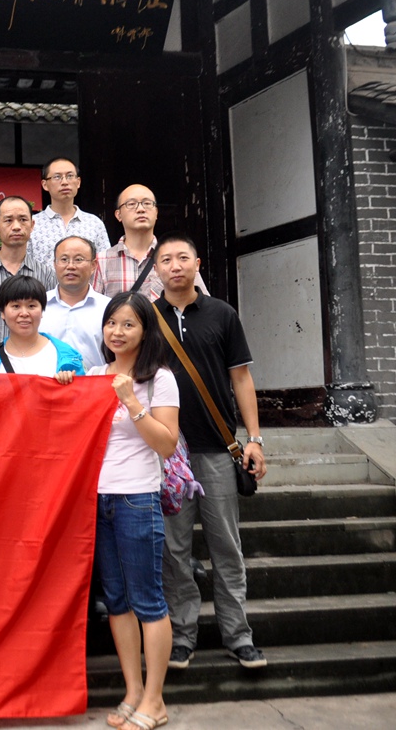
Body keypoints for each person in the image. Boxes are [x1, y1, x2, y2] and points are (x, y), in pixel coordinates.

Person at [55, 292, 178, 730]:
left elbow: (167, 444)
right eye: (112, 323)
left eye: (128, 324)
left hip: (137, 497)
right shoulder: (94, 375)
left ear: (145, 330)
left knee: (148, 600)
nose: (117, 332)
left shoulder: (159, 378)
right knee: (118, 602)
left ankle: (155, 700)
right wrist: (65, 386)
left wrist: (132, 402)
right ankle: (133, 692)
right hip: (97, 498)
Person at [152, 233, 268, 671]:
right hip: (168, 454)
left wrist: (254, 439)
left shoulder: (222, 313)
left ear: (197, 264)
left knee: (226, 547)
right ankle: (182, 636)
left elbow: (241, 378)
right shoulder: (147, 317)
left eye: (183, 257)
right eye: (166, 259)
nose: (175, 265)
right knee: (174, 551)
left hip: (219, 449)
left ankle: (238, 635)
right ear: (156, 269)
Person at [0, 195, 58, 347]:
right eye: (8, 220)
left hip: (32, 357)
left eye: (23, 219)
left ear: (32, 225)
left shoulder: (46, 274)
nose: (16, 226)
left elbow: (51, 318)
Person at [92, 183, 208, 301]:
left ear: (156, 212)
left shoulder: (177, 257)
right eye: (131, 204)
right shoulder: (102, 261)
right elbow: (93, 307)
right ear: (118, 215)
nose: (141, 209)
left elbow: (203, 303)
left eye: (147, 203)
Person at [0, 274, 84, 376]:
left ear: (42, 310)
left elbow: (83, 385)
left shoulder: (68, 357)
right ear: (2, 312)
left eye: (31, 306)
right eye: (16, 306)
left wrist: (69, 382)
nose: (24, 313)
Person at [38, 235, 111, 370]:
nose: (70, 266)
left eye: (78, 260)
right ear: (54, 264)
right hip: (46, 381)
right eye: (64, 259)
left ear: (93, 265)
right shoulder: (38, 306)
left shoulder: (108, 308)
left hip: (94, 382)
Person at [28, 157, 110, 265]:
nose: (65, 182)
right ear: (45, 185)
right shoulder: (32, 224)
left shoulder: (94, 223)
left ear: (78, 182)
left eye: (70, 176)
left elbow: (105, 265)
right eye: (57, 177)